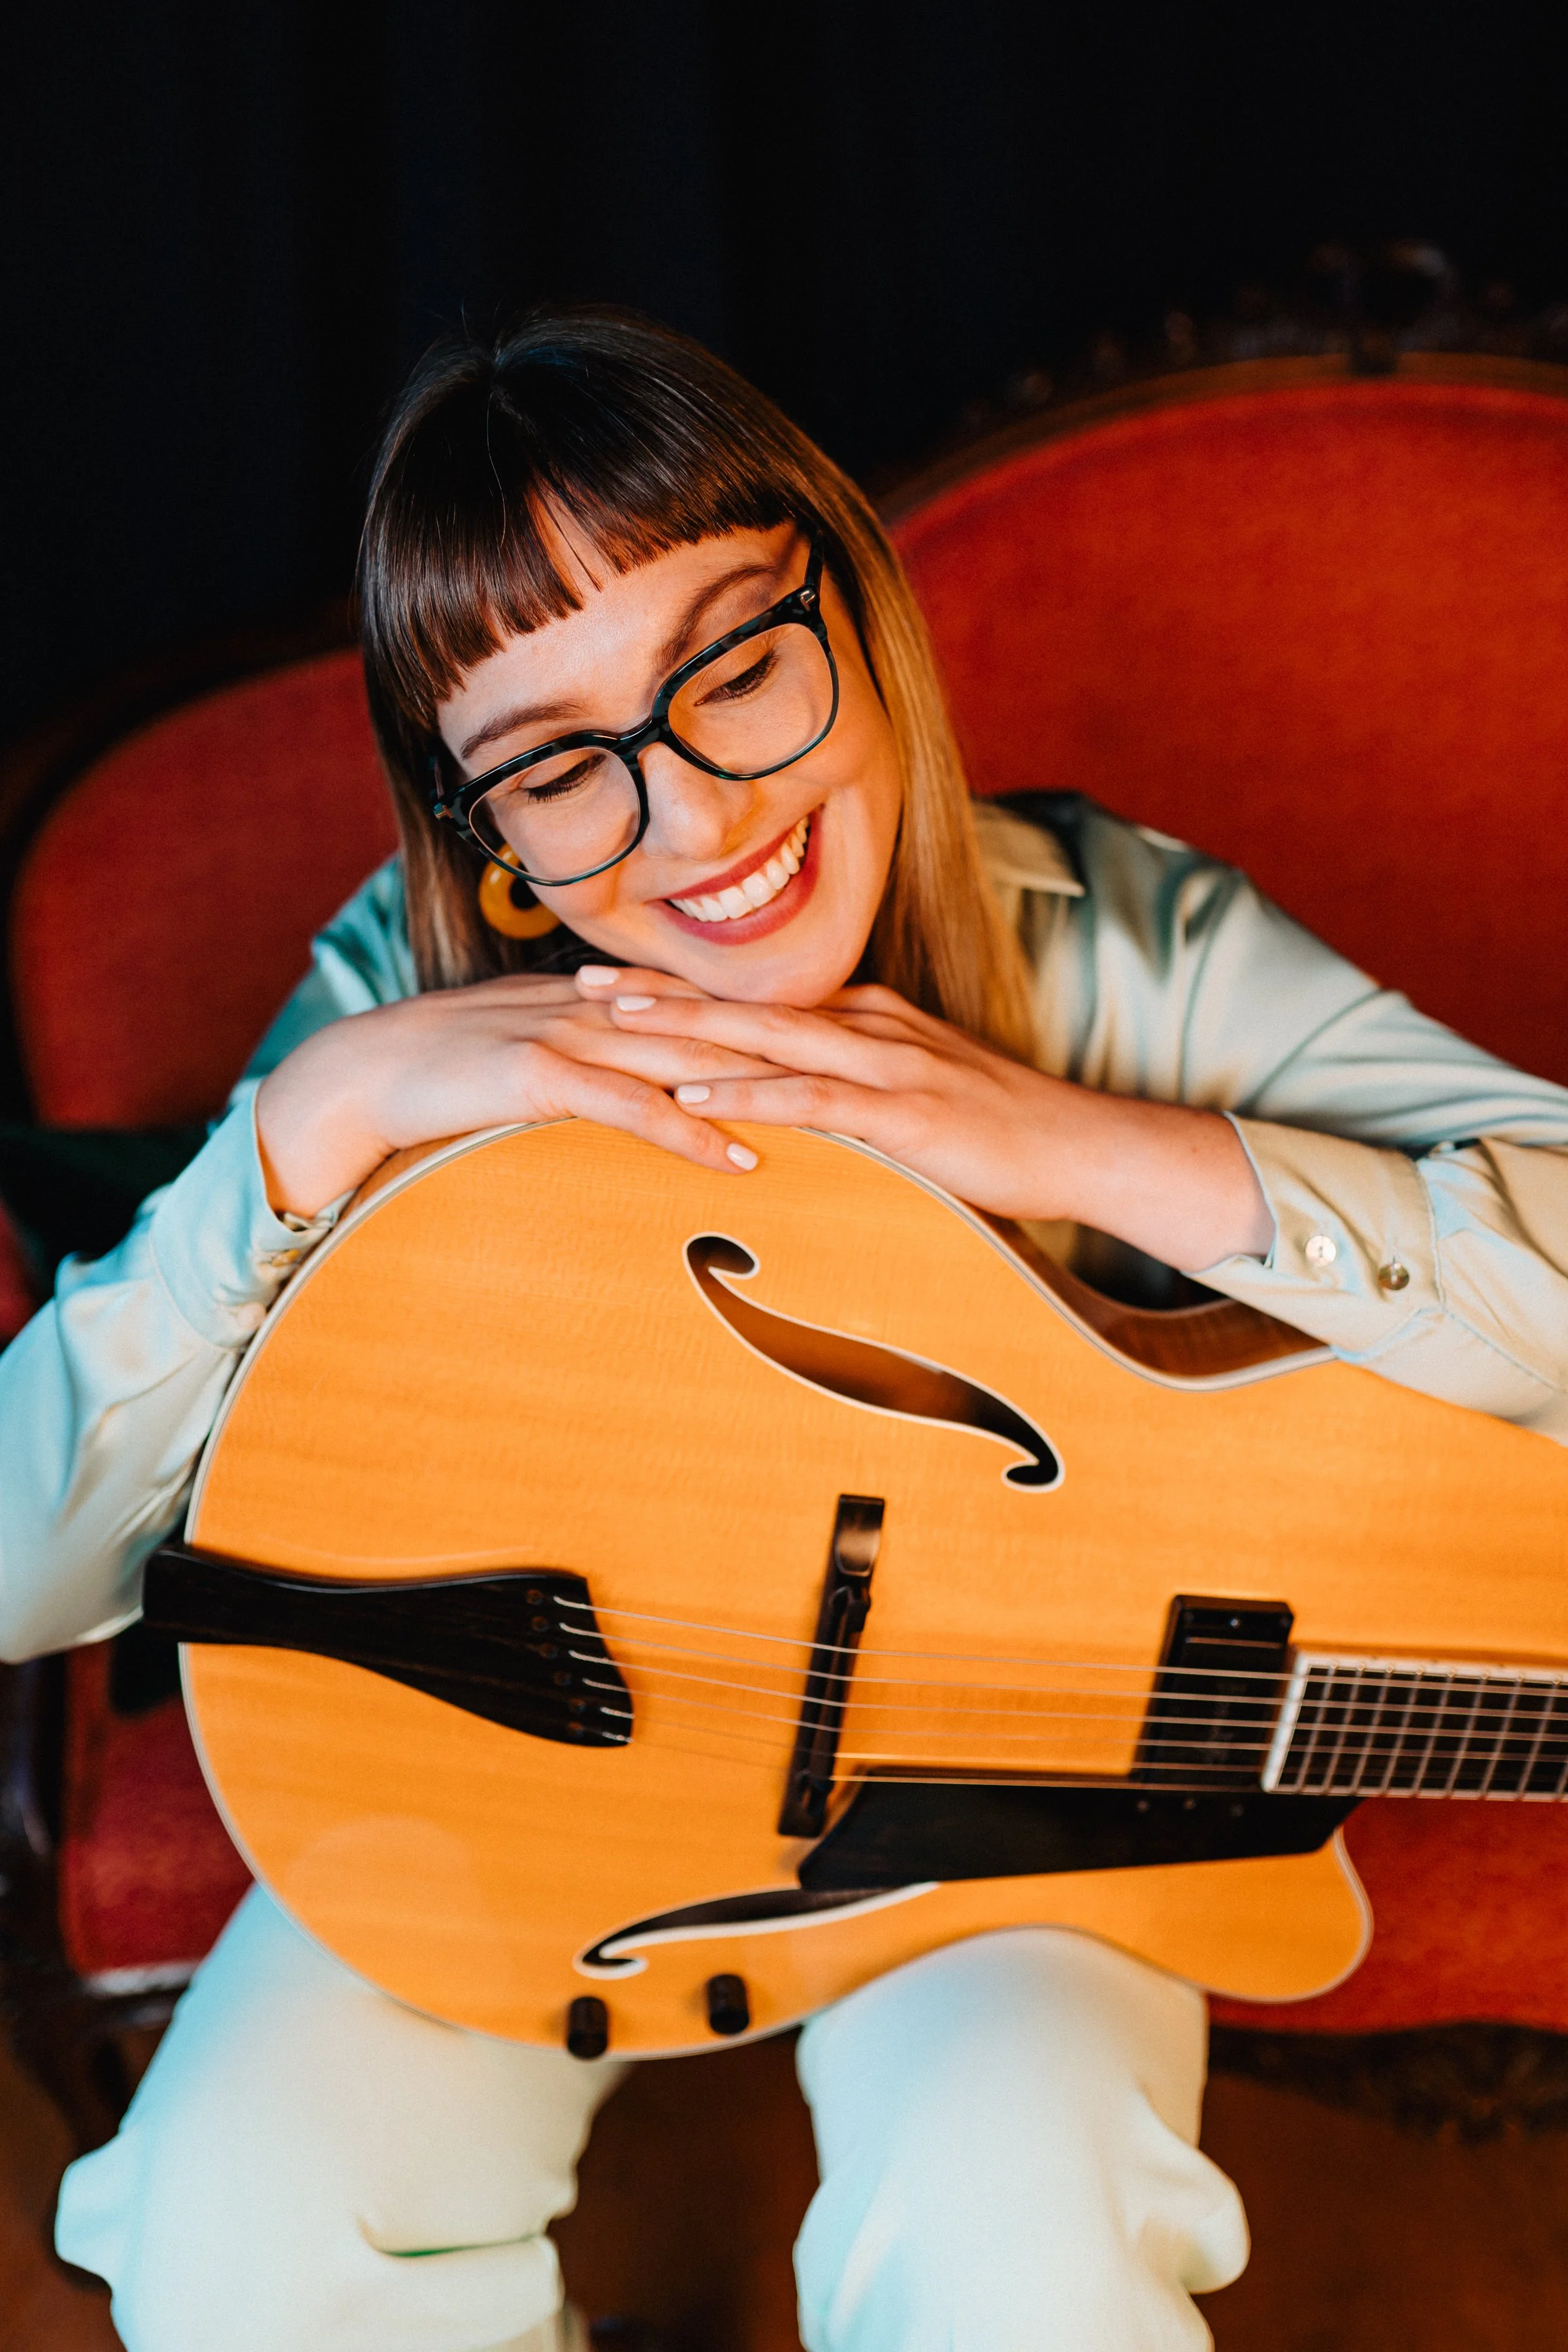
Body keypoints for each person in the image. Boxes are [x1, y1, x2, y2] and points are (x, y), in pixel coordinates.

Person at [3, 309, 1567, 2352]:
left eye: (732, 665)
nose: (693, 820)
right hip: (495, 1766)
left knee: (1031, 2250)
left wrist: (1081, 1140)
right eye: (562, 767)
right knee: (236, 2222)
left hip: (1011, 1798)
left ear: (860, 601)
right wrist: (303, 1135)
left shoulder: (1131, 942)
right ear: (492, 836)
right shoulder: (398, 998)